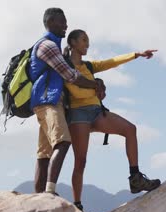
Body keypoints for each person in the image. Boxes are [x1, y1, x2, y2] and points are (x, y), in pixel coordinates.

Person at [63, 29, 161, 212]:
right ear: (73, 42)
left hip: (97, 112)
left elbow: (111, 62)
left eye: (88, 40)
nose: (87, 44)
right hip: (77, 115)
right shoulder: (65, 66)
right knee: (80, 162)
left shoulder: (89, 66)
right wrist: (96, 87)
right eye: (84, 40)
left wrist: (136, 55)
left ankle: (135, 178)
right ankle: (77, 207)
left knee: (130, 129)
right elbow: (76, 91)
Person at [30, 8, 105, 200]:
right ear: (52, 21)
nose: (66, 25)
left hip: (48, 101)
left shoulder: (54, 46)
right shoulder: (47, 46)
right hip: (48, 101)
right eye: (63, 21)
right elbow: (70, 76)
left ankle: (38, 196)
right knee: (63, 141)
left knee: (44, 152)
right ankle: (49, 191)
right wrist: (94, 85)